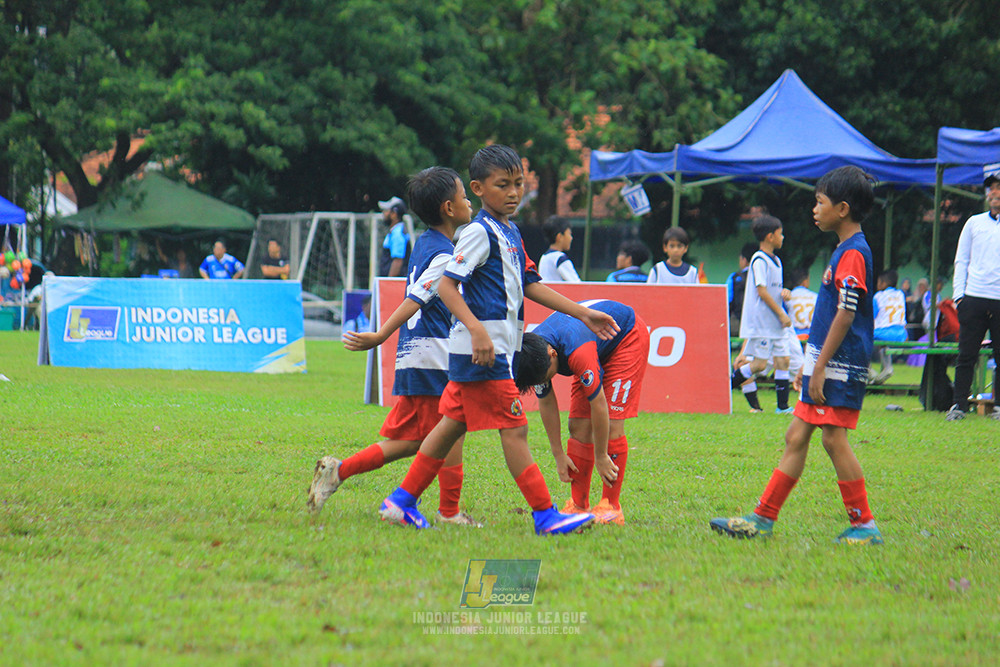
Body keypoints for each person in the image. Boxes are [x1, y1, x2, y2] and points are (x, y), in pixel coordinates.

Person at [376, 145, 619, 536]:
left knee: (450, 426)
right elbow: (447, 286)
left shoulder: (510, 231)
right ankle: (545, 516)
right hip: (481, 354)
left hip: (489, 352)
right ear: (478, 188)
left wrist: (582, 312)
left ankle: (401, 501)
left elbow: (530, 285)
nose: (513, 192)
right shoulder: (478, 232)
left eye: (519, 183)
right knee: (515, 428)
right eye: (502, 184)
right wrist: (476, 329)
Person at [711, 165, 883, 545]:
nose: (814, 209)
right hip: (825, 361)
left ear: (841, 208)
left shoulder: (854, 253)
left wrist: (818, 367)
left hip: (837, 364)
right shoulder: (844, 249)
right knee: (796, 436)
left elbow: (847, 312)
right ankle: (763, 518)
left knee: (833, 439)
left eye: (819, 202)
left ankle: (864, 524)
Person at [308, 166, 482, 525]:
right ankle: (444, 512)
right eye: (465, 195)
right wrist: (380, 335)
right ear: (449, 208)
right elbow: (416, 299)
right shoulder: (443, 255)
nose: (470, 201)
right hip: (432, 359)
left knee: (412, 443)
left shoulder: (425, 243)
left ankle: (337, 472)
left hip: (415, 358)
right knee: (452, 431)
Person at [514, 299, 649, 526]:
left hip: (626, 339)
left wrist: (601, 455)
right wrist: (558, 454)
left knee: (614, 424)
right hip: (594, 344)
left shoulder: (577, 351)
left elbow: (599, 404)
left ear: (553, 354)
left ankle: (611, 506)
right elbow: (546, 402)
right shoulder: (532, 354)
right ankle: (578, 505)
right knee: (577, 425)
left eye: (548, 377)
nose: (546, 382)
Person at [946, 171, 1000, 421]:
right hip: (974, 296)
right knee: (966, 354)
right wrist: (959, 296)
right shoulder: (974, 223)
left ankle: (998, 406)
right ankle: (958, 405)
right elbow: (962, 260)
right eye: (991, 188)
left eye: (998, 188)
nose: (993, 193)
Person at [730, 215, 793, 413]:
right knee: (758, 365)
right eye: (780, 233)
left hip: (775, 322)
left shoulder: (778, 261)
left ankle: (782, 407)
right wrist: (782, 314)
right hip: (763, 322)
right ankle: (723, 388)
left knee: (783, 361)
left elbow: (774, 290)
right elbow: (762, 291)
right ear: (770, 236)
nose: (783, 237)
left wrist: (785, 294)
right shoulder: (759, 260)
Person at [869, 269, 908, 384]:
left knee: (861, 336)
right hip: (901, 333)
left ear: (883, 283)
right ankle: (888, 367)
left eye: (879, 282)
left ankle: (868, 369)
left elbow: (871, 316)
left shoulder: (878, 296)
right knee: (883, 344)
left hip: (885, 332)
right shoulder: (900, 294)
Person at [725, 242, 758, 335]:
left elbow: (726, 301)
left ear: (744, 259)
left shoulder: (734, 277)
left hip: (736, 325)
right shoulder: (762, 277)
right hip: (758, 325)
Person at [538, 216, 581, 282]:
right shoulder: (560, 258)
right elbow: (576, 284)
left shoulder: (544, 257)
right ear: (559, 237)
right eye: (569, 234)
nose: (571, 238)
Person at [378, 196, 410, 277]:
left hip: (395, 285)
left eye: (386, 211)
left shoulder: (397, 233)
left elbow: (397, 261)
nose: (383, 214)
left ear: (394, 214)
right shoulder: (395, 231)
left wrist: (389, 282)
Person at [786, 267, 817, 340]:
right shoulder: (816, 297)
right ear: (805, 281)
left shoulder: (787, 298)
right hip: (811, 335)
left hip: (794, 336)